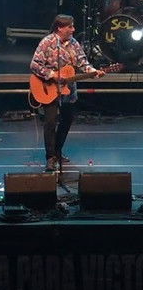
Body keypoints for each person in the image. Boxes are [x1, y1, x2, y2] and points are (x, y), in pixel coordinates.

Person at [30, 14, 105, 173]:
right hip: (49, 87)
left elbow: (83, 63)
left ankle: (57, 151)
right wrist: (52, 75)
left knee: (67, 119)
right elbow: (35, 65)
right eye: (70, 26)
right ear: (60, 28)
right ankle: (50, 157)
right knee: (50, 122)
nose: (73, 29)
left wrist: (93, 71)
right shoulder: (47, 42)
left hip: (68, 89)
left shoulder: (74, 44)